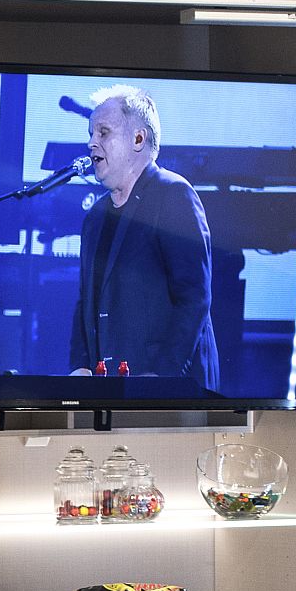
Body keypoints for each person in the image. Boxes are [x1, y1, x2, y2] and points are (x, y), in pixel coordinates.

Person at [67, 87, 221, 391]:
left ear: (138, 139)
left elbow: (194, 297)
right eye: (91, 133)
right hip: (111, 392)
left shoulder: (173, 194)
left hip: (171, 393)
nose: (91, 143)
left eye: (103, 132)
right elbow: (85, 302)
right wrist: (81, 366)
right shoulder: (96, 216)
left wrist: (160, 377)